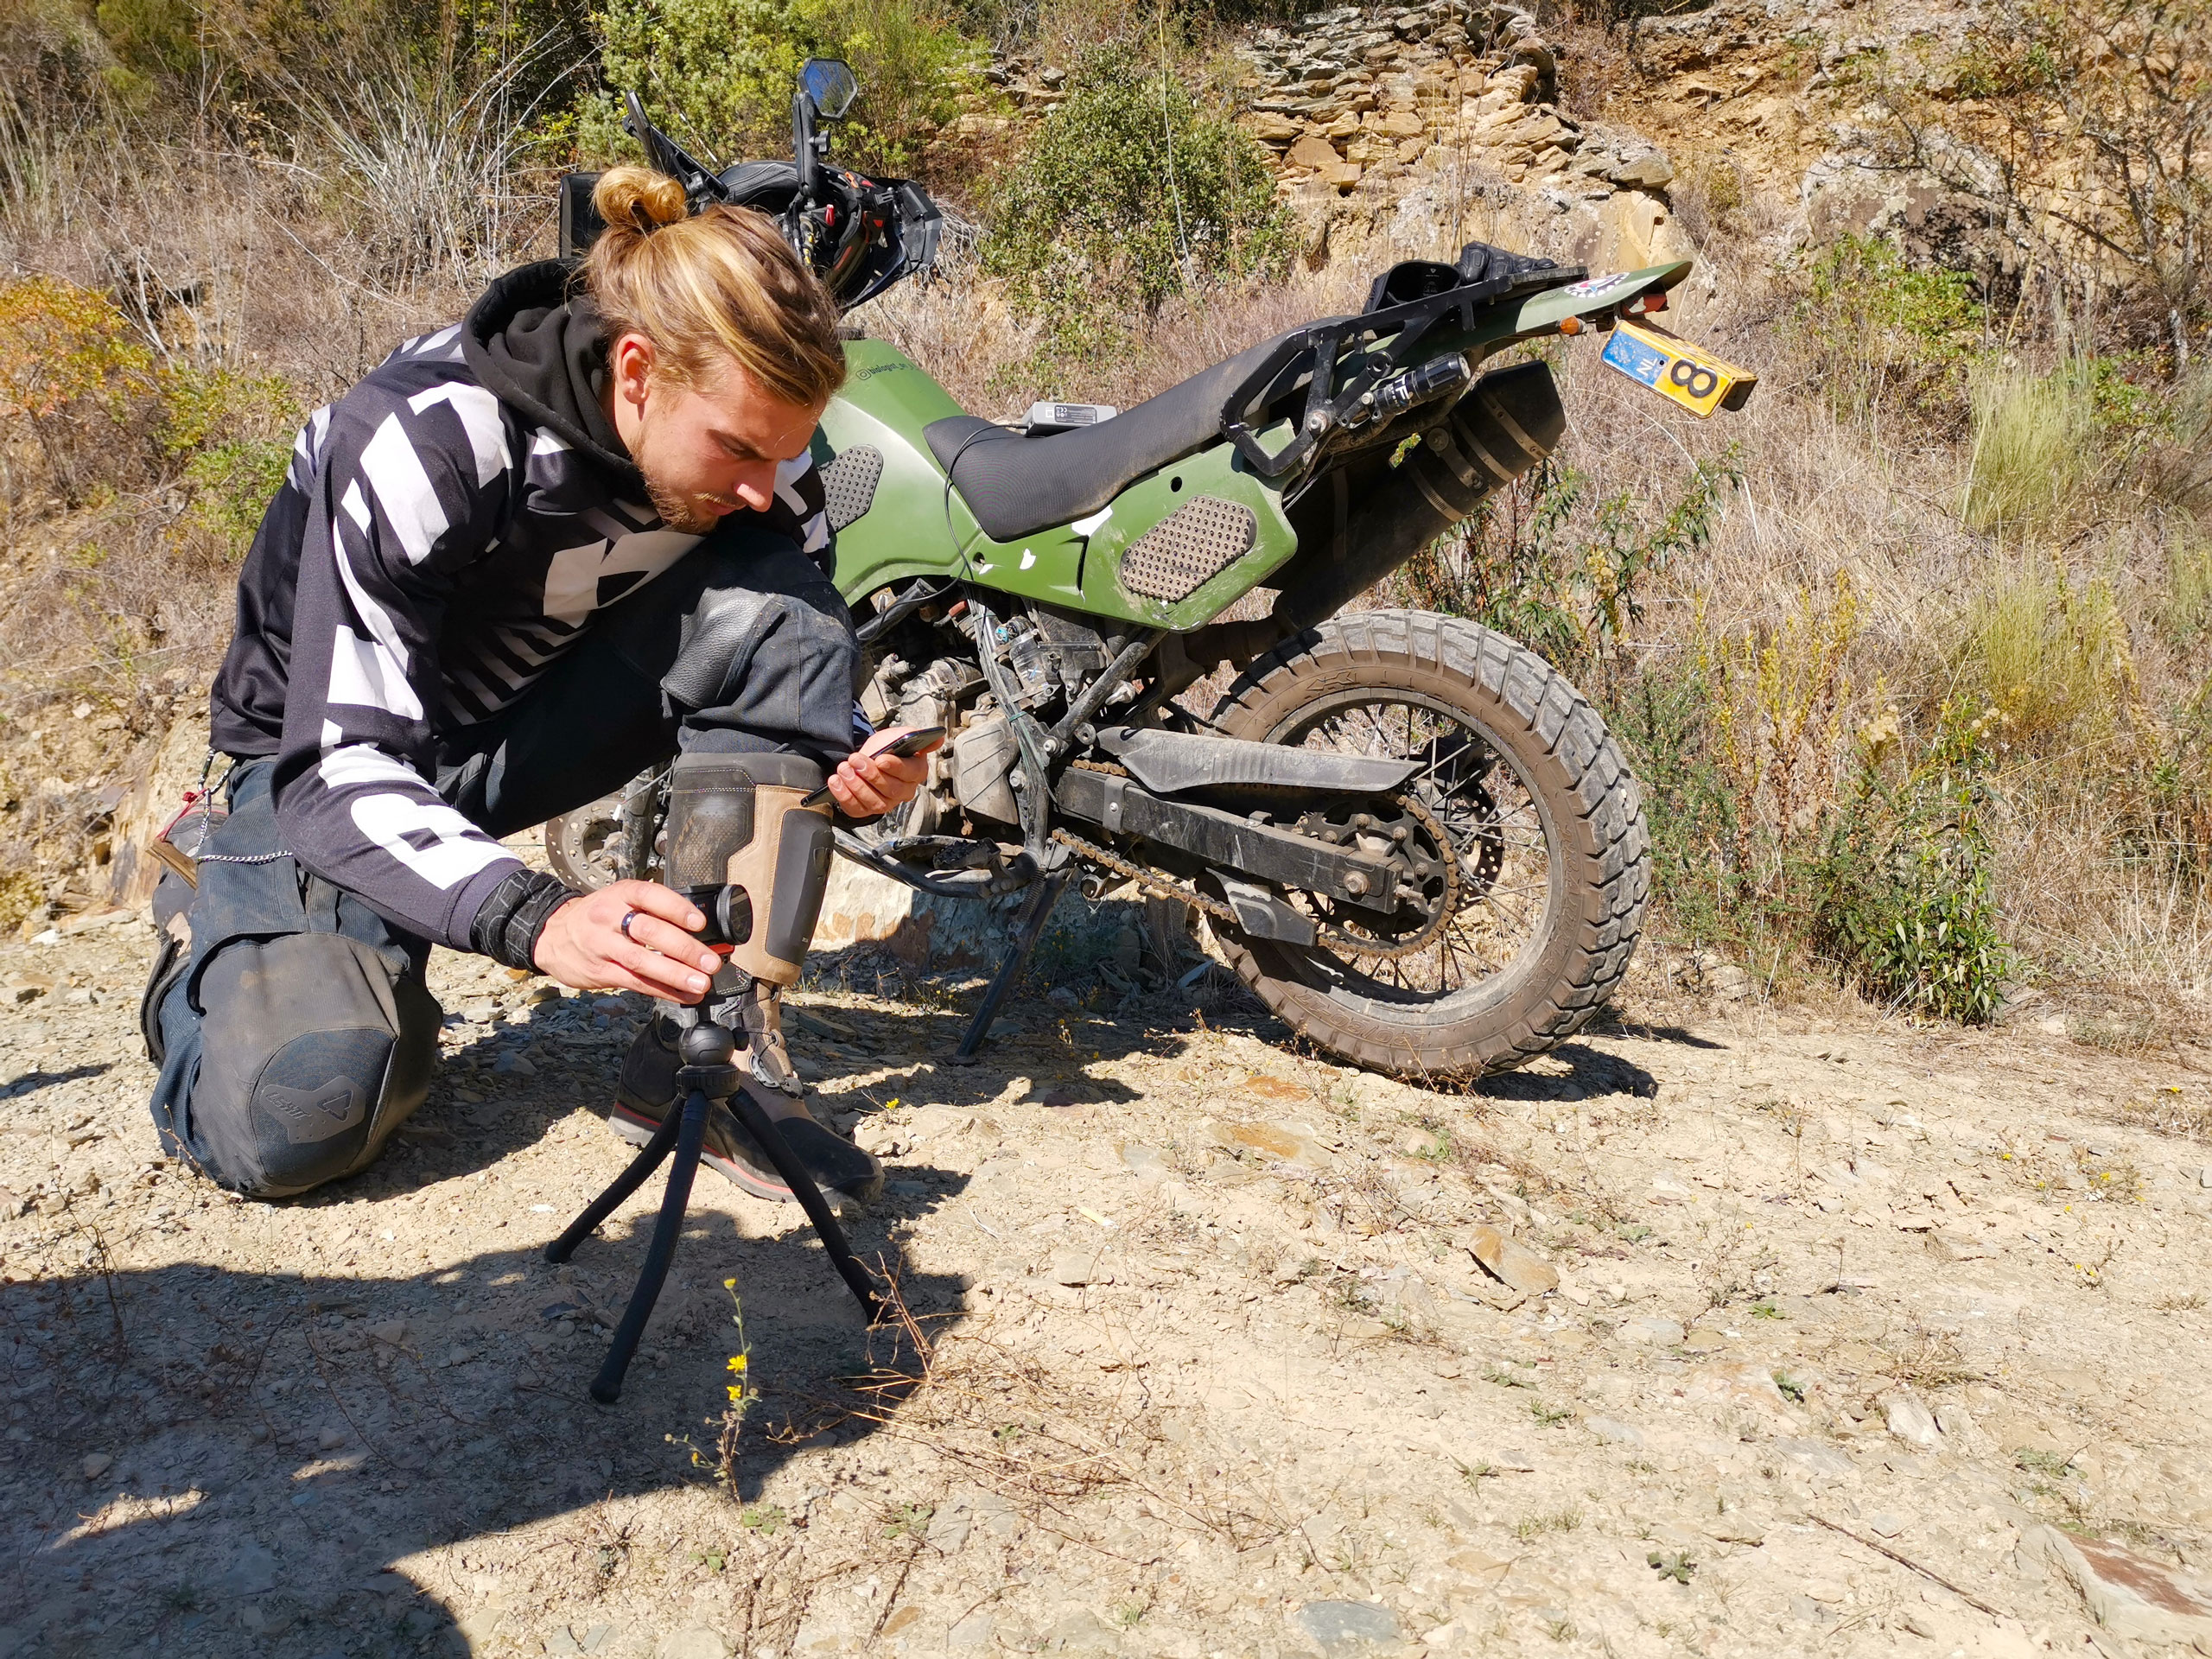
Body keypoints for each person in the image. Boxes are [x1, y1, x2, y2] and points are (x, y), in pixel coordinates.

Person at [138, 166, 938, 1207]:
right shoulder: (426, 438)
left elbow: (787, 657)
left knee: (780, 605)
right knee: (306, 1110)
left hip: (515, 737)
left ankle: (712, 1057)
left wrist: (846, 750)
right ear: (637, 370)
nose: (763, 484)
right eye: (738, 447)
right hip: (319, 769)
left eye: (783, 452)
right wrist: (531, 916)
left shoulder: (774, 471)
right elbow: (339, 764)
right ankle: (219, 919)